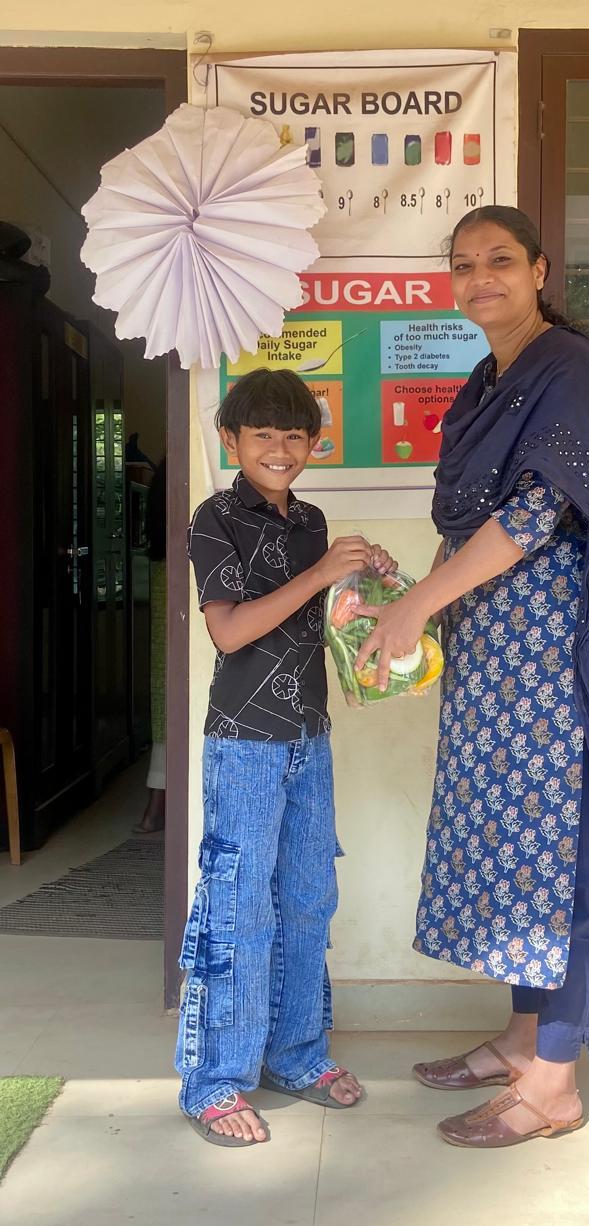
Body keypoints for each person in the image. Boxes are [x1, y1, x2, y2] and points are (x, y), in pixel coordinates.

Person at [356, 206, 589, 1149]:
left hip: (557, 657)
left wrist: (421, 604)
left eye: (499, 260)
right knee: (517, 849)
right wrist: (414, 604)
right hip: (494, 658)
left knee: (565, 855)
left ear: (539, 270)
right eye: (463, 265)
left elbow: (538, 514)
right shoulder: (489, 379)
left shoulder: (566, 366)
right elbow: (469, 523)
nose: (479, 277)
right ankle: (523, 1038)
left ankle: (554, 1084)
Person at [176, 368, 396, 1147]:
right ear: (230, 440)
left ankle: (296, 1055)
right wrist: (320, 572)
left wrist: (366, 585)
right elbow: (230, 631)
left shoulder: (312, 521)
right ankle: (215, 1082)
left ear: (313, 444)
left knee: (306, 900)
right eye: (262, 434)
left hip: (309, 735)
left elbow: (322, 619)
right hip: (243, 743)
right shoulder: (213, 517)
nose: (279, 447)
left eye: (294, 435)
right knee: (239, 908)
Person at [135, 458, 166, 835]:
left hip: (162, 572)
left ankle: (155, 806)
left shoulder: (158, 560)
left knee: (164, 702)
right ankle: (157, 806)